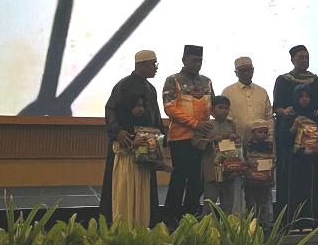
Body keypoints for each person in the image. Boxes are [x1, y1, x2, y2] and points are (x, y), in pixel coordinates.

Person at [100, 50, 164, 226]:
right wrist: (118, 132)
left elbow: (156, 117)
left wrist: (159, 143)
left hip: (146, 149)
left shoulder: (151, 89)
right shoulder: (123, 85)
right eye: (153, 64)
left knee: (145, 191)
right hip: (126, 148)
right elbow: (110, 109)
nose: (156, 68)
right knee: (123, 189)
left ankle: (143, 225)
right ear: (141, 64)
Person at [272, 45, 318, 225]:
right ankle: (287, 220)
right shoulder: (283, 80)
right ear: (292, 60)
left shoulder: (316, 81)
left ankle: (309, 219)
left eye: (307, 57)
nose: (304, 60)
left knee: (310, 180)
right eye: (300, 57)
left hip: (312, 133)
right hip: (289, 132)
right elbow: (276, 107)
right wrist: (286, 113)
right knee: (288, 178)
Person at [163, 45, 213, 220]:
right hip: (180, 138)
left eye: (200, 60)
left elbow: (213, 107)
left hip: (202, 139)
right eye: (194, 60)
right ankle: (171, 217)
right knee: (180, 178)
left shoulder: (207, 81)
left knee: (198, 180)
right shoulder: (173, 80)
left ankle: (191, 216)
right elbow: (170, 108)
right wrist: (195, 124)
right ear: (184, 60)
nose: (198, 63)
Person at [221, 56, 274, 215]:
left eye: (249, 70)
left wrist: (269, 138)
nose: (246, 73)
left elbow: (269, 117)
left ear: (253, 70)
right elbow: (226, 118)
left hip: (261, 147)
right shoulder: (228, 91)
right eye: (242, 70)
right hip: (237, 146)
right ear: (236, 72)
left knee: (262, 181)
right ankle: (237, 218)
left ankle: (263, 219)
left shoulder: (262, 91)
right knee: (237, 183)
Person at [276, 84, 318, 231]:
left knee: (309, 190)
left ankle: (309, 222)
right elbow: (282, 138)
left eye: (307, 96)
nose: (304, 99)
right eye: (301, 97)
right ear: (296, 98)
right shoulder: (290, 115)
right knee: (293, 191)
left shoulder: (315, 116)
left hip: (310, 160)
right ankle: (293, 222)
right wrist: (294, 126)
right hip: (293, 160)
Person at [192, 96, 240, 214]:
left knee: (228, 202)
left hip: (229, 170)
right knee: (210, 201)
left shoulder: (231, 125)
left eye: (226, 108)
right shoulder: (206, 125)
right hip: (211, 169)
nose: (223, 110)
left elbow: (238, 144)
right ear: (212, 110)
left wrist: (235, 138)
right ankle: (206, 224)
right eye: (220, 107)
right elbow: (196, 142)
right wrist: (211, 141)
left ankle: (226, 224)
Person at [244, 123, 274, 226]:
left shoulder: (269, 145)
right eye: (260, 132)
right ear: (253, 133)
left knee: (263, 203)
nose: (263, 134)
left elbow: (272, 162)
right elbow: (245, 161)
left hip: (265, 181)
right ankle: (251, 224)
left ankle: (263, 224)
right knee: (251, 203)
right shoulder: (248, 145)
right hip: (251, 180)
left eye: (265, 132)